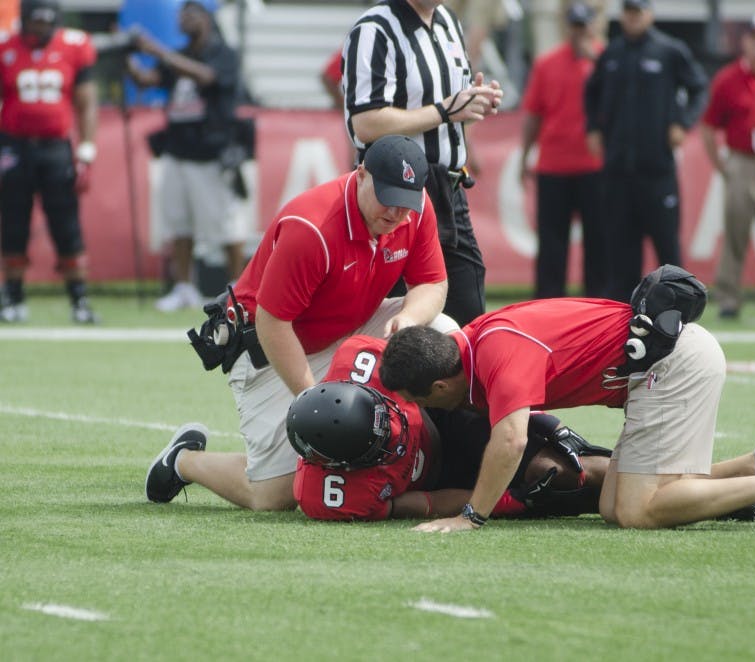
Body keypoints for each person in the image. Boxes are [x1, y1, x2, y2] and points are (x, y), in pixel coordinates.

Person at [377, 277, 755, 533]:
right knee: (613, 505)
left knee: (638, 511)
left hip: (674, 365)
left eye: (424, 401)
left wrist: (470, 516)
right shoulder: (481, 341)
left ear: (440, 387)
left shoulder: (496, 354)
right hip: (658, 368)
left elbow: (511, 439)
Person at [144, 134, 453, 511]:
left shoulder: (415, 209)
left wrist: (408, 318)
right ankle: (184, 460)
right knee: (272, 496)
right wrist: (316, 401)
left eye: (405, 204)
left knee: (438, 330)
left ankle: (465, 446)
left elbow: (432, 283)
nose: (396, 214)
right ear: (361, 175)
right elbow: (273, 323)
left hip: (351, 326)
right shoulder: (312, 227)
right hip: (269, 351)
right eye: (387, 198)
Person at [288, 334, 610, 521]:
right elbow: (429, 503)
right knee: (549, 486)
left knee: (558, 466)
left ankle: (646, 473)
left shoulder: (360, 359)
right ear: (345, 467)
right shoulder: (329, 496)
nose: (397, 434)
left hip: (442, 412)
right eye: (380, 445)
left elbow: (424, 363)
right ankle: (623, 503)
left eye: (386, 418)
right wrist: (500, 502)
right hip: (439, 481)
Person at [341, 0, 503, 326]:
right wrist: (445, 111)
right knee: (398, 317)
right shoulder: (376, 28)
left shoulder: (447, 21)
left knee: (468, 313)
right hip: (395, 190)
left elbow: (451, 103)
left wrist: (475, 100)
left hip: (449, 189)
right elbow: (365, 122)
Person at [127, 0, 248, 312]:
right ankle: (184, 287)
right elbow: (148, 80)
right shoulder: (177, 55)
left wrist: (159, 52)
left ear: (206, 19)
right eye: (181, 14)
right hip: (177, 150)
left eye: (190, 13)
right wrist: (125, 55)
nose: (183, 19)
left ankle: (237, 287)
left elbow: (208, 77)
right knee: (178, 223)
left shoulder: (224, 53)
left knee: (224, 225)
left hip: (211, 153)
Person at [583, 0, 708, 302]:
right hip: (617, 170)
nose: (633, 17)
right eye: (628, 11)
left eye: (638, 11)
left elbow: (699, 88)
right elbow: (591, 92)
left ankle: (678, 308)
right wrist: (593, 128)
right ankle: (622, 315)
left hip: (656, 169)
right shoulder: (612, 54)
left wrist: (682, 122)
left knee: (667, 247)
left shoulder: (669, 51)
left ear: (649, 14)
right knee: (620, 250)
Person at [0, 0, 99, 324]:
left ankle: (79, 300)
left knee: (66, 224)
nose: (40, 29)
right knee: (13, 222)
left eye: (46, 22)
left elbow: (86, 101)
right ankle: (13, 296)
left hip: (56, 148)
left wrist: (86, 149)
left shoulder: (73, 45)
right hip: (13, 147)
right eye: (35, 21)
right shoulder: (6, 47)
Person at [699, 14, 755, 320]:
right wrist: (722, 165)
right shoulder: (728, 78)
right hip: (742, 159)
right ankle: (728, 297)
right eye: (754, 37)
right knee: (736, 230)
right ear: (744, 42)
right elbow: (709, 126)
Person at [520, 2, 606, 298]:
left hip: (595, 166)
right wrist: (524, 156)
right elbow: (534, 115)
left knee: (598, 241)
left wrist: (596, 61)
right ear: (567, 26)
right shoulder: (547, 64)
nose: (579, 31)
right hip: (554, 166)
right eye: (575, 25)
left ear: (593, 25)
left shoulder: (605, 61)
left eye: (584, 25)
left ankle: (596, 302)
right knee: (552, 244)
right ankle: (547, 301)